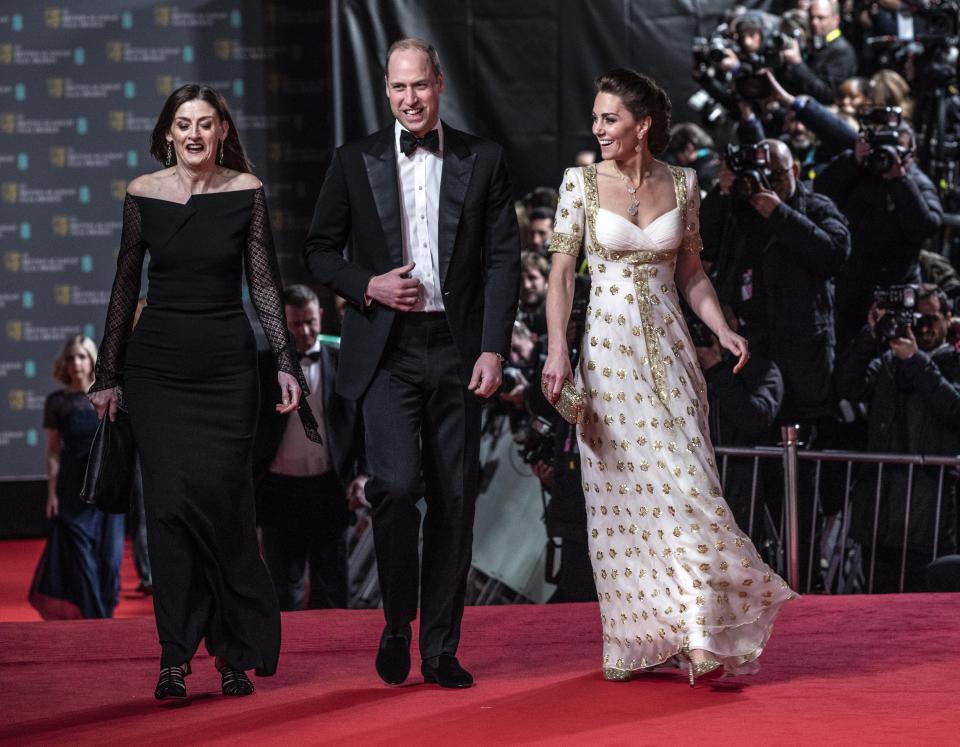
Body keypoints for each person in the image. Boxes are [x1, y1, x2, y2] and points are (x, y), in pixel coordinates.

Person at [542, 68, 796, 686]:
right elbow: (562, 277)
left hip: (674, 359)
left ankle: (704, 631)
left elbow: (691, 274)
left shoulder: (683, 185)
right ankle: (645, 638)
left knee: (687, 489)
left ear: (642, 125)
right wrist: (557, 351)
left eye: (610, 119)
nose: (598, 128)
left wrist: (721, 329)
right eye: (597, 118)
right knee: (625, 502)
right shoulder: (578, 184)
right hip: (607, 362)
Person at [88, 83, 320, 701]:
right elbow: (123, 286)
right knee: (166, 512)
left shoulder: (246, 193)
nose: (194, 133)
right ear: (169, 131)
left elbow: (265, 286)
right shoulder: (143, 194)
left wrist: (286, 367)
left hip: (225, 370)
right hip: (157, 368)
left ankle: (235, 652)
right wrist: (108, 374)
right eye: (183, 123)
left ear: (222, 132)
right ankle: (173, 656)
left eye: (206, 123)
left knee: (225, 511)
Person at [302, 38, 520, 689]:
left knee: (455, 501)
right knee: (394, 488)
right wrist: (367, 284)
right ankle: (397, 621)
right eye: (398, 88)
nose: (409, 98)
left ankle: (441, 646)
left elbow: (503, 257)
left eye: (418, 85)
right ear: (387, 89)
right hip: (387, 353)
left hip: (456, 350)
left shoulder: (484, 159)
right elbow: (318, 250)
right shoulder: (354, 159)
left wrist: (492, 346)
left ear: (439, 83)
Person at [835, 285, 960, 592]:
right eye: (917, 318)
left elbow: (954, 409)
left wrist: (916, 359)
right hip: (880, 517)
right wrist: (871, 334)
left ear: (948, 318)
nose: (923, 326)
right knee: (877, 614)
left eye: (931, 318)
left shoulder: (953, 364)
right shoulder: (889, 363)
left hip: (930, 519)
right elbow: (847, 386)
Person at [254, 284, 367, 611]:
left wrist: (363, 474)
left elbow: (360, 426)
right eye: (295, 324)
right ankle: (286, 658)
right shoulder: (262, 368)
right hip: (277, 493)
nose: (304, 331)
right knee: (280, 589)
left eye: (309, 321)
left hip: (330, 490)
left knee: (332, 587)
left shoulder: (344, 361)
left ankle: (333, 657)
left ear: (320, 316)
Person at [815, 119, 943, 348]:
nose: (887, 157)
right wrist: (853, 161)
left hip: (898, 286)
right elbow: (821, 192)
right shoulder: (858, 171)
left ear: (911, 152)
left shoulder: (917, 181)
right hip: (852, 285)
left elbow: (927, 226)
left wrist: (900, 180)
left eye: (896, 151)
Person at [29, 336, 125, 620]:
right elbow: (54, 451)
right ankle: (97, 620)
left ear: (92, 360)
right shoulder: (57, 402)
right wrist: (52, 494)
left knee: (109, 559)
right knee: (81, 556)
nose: (76, 363)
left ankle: (103, 612)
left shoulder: (109, 395)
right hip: (73, 489)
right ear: (64, 364)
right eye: (71, 358)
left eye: (82, 356)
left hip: (107, 486)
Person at [782, 0, 858, 105]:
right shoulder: (813, 44)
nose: (814, 22)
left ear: (836, 20)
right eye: (811, 17)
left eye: (821, 18)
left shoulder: (842, 52)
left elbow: (828, 95)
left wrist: (797, 64)